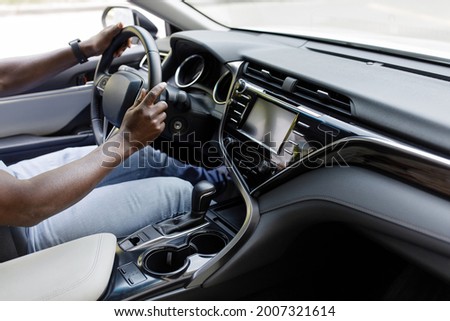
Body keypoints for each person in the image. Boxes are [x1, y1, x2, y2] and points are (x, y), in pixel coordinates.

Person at [0, 23, 230, 254]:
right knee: (178, 193)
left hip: (10, 182)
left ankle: (223, 184)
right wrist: (126, 140)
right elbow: (27, 205)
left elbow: (3, 77)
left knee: (147, 156)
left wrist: (85, 49)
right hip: (18, 233)